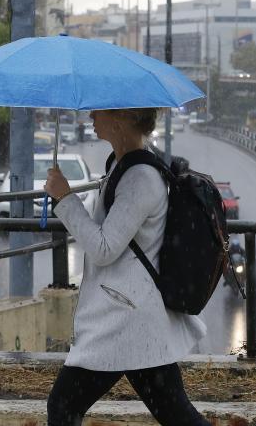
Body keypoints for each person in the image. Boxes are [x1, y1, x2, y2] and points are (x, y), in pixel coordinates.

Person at [43, 107, 210, 426]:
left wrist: (65, 198)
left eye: (98, 111)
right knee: (176, 414)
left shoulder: (140, 177)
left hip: (124, 316)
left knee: (63, 405)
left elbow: (104, 248)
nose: (91, 116)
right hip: (128, 314)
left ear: (120, 120)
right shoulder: (123, 165)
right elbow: (100, 230)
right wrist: (65, 200)